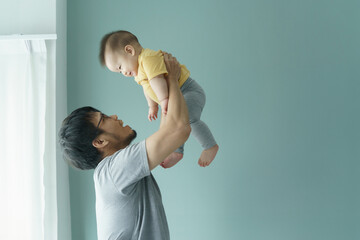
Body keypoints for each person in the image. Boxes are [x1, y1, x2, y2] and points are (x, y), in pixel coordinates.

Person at [58, 53, 191, 240]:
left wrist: (165, 91)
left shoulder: (112, 172)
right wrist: (173, 80)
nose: (114, 116)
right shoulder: (114, 169)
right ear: (100, 142)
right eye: (103, 119)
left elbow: (168, 134)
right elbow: (178, 130)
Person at [99, 30, 219, 168]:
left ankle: (209, 146)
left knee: (188, 119)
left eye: (120, 67)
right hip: (177, 96)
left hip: (189, 91)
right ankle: (176, 151)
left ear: (129, 50)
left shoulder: (148, 58)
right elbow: (147, 89)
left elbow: (157, 80)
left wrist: (163, 100)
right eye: (119, 72)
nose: (123, 73)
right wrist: (153, 106)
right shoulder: (139, 72)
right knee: (174, 122)